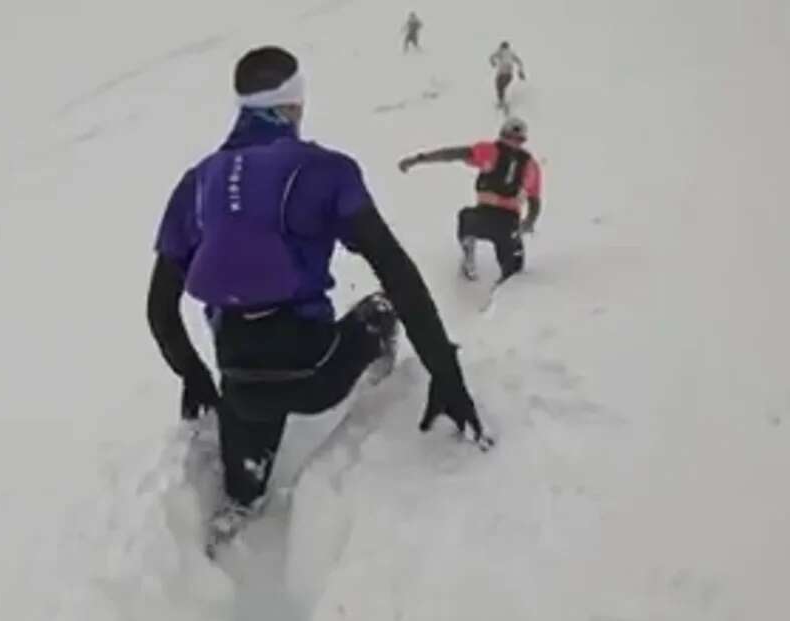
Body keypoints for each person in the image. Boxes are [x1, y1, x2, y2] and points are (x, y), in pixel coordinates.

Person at [146, 46, 484, 550]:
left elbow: (159, 309)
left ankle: (234, 522)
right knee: (379, 308)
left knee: (242, 494)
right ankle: (380, 392)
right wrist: (446, 373)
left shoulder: (196, 184)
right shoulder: (325, 170)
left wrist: (195, 376)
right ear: (292, 106)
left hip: (241, 382)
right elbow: (397, 273)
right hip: (316, 372)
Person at [397, 117, 543, 282]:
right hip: (509, 224)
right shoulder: (531, 165)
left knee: (465, 218)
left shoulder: (490, 150)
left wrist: (418, 159)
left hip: (481, 216)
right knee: (514, 271)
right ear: (523, 140)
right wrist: (528, 222)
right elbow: (535, 200)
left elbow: (452, 154)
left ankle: (468, 252)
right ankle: (509, 290)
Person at [488, 40, 527, 109]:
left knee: (500, 86)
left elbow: (491, 56)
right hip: (507, 74)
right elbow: (519, 62)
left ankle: (502, 101)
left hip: (503, 74)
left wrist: (492, 62)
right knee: (501, 86)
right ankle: (502, 101)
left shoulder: (501, 51)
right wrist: (521, 72)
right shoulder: (511, 53)